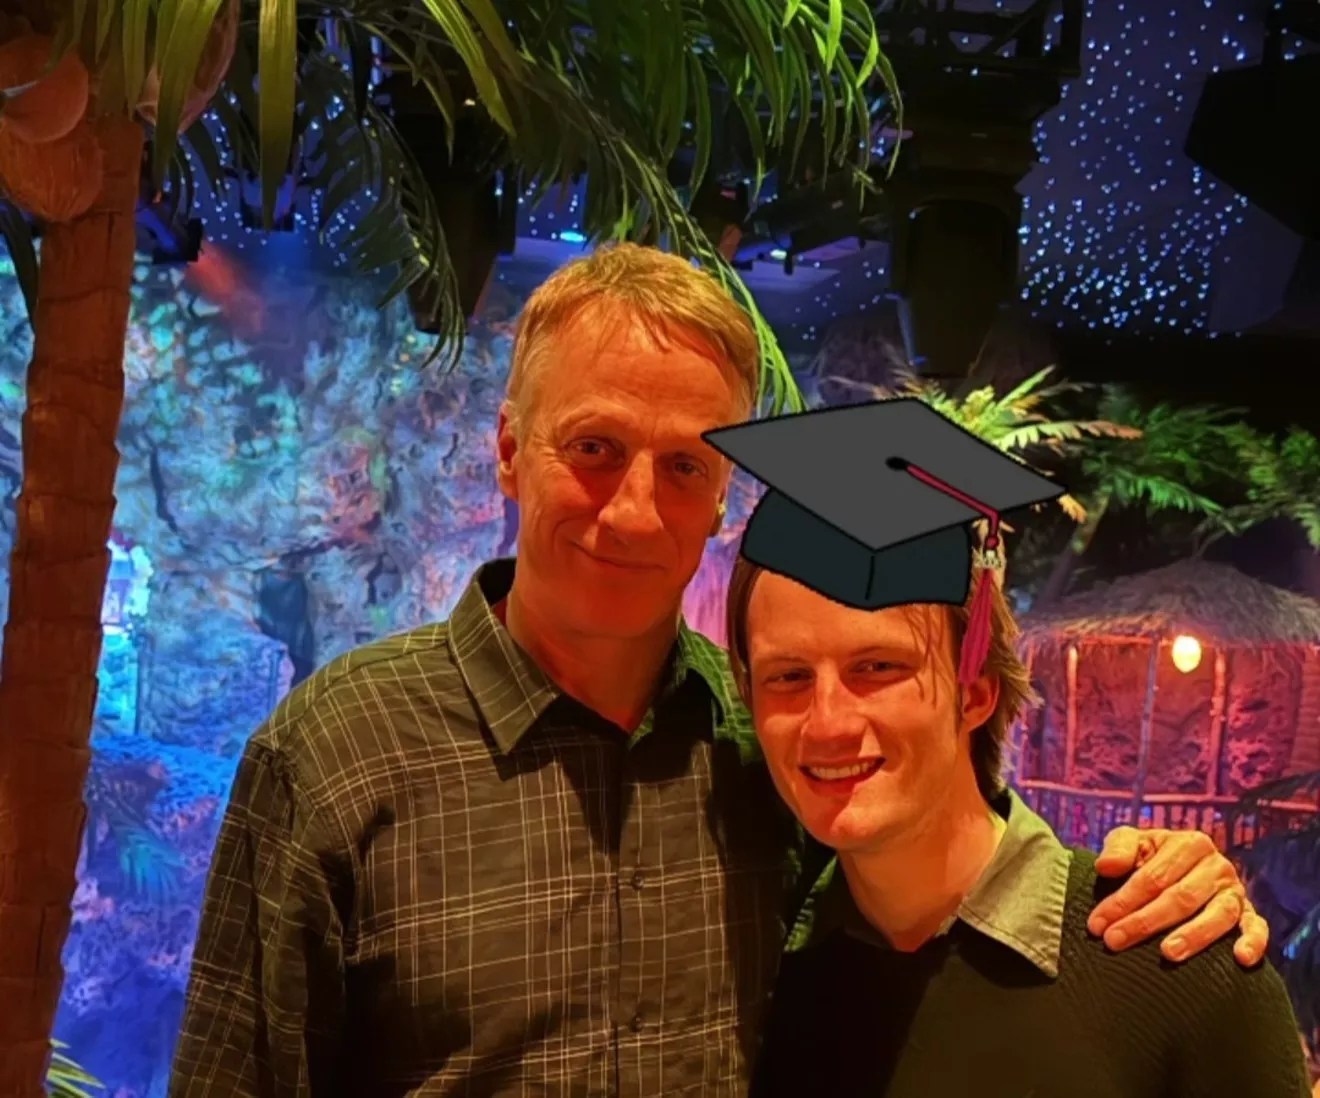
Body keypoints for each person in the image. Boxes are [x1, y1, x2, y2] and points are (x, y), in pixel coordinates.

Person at [170, 244, 1271, 1098]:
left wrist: (1150, 873)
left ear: (720, 501)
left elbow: (939, 850)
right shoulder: (334, 757)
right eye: (594, 448)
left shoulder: (760, 761)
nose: (633, 510)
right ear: (508, 450)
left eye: (685, 466)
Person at [704, 399, 1310, 1097]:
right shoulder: (775, 980)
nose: (828, 722)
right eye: (788, 677)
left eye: (878, 667)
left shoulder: (1180, 970)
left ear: (976, 691)